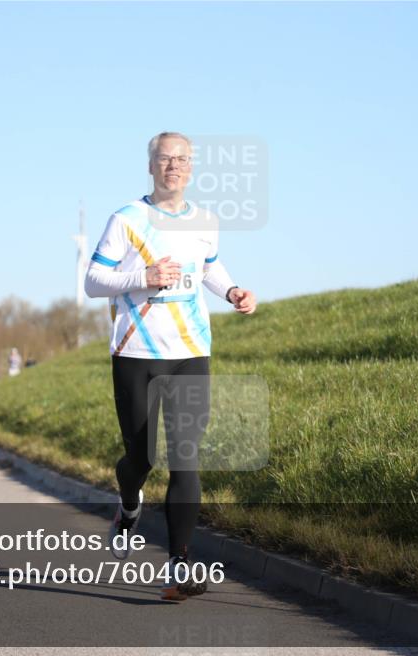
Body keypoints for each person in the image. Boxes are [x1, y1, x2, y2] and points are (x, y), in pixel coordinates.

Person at [84, 131, 257, 601]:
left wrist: (232, 291)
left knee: (185, 456)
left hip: (190, 352)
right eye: (165, 159)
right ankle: (127, 504)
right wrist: (144, 277)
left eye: (181, 159)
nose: (173, 166)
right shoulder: (127, 219)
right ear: (151, 166)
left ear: (191, 166)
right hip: (136, 352)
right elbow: (94, 281)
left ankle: (180, 565)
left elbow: (209, 268)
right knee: (140, 457)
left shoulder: (204, 221)